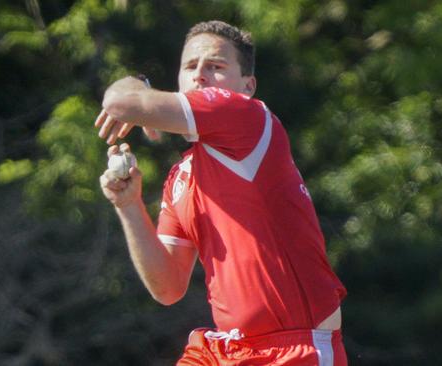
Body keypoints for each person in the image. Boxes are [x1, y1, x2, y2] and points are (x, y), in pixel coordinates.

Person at [96, 21, 347, 365]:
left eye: (215, 67)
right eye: (190, 67)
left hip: (293, 349)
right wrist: (128, 205)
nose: (199, 75)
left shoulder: (248, 119)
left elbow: (120, 101)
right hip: (225, 350)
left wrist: (137, 85)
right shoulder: (181, 176)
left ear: (247, 86)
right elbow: (168, 287)